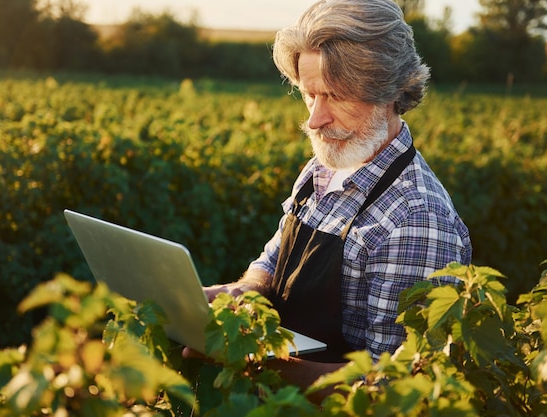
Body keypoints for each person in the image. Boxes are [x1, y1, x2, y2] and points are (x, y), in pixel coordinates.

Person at [185, 0, 472, 398]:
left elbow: (388, 387)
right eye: (309, 94)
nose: (315, 119)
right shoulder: (324, 166)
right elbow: (275, 260)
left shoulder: (415, 219)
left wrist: (250, 361)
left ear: (387, 89)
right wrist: (237, 293)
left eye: (335, 96)